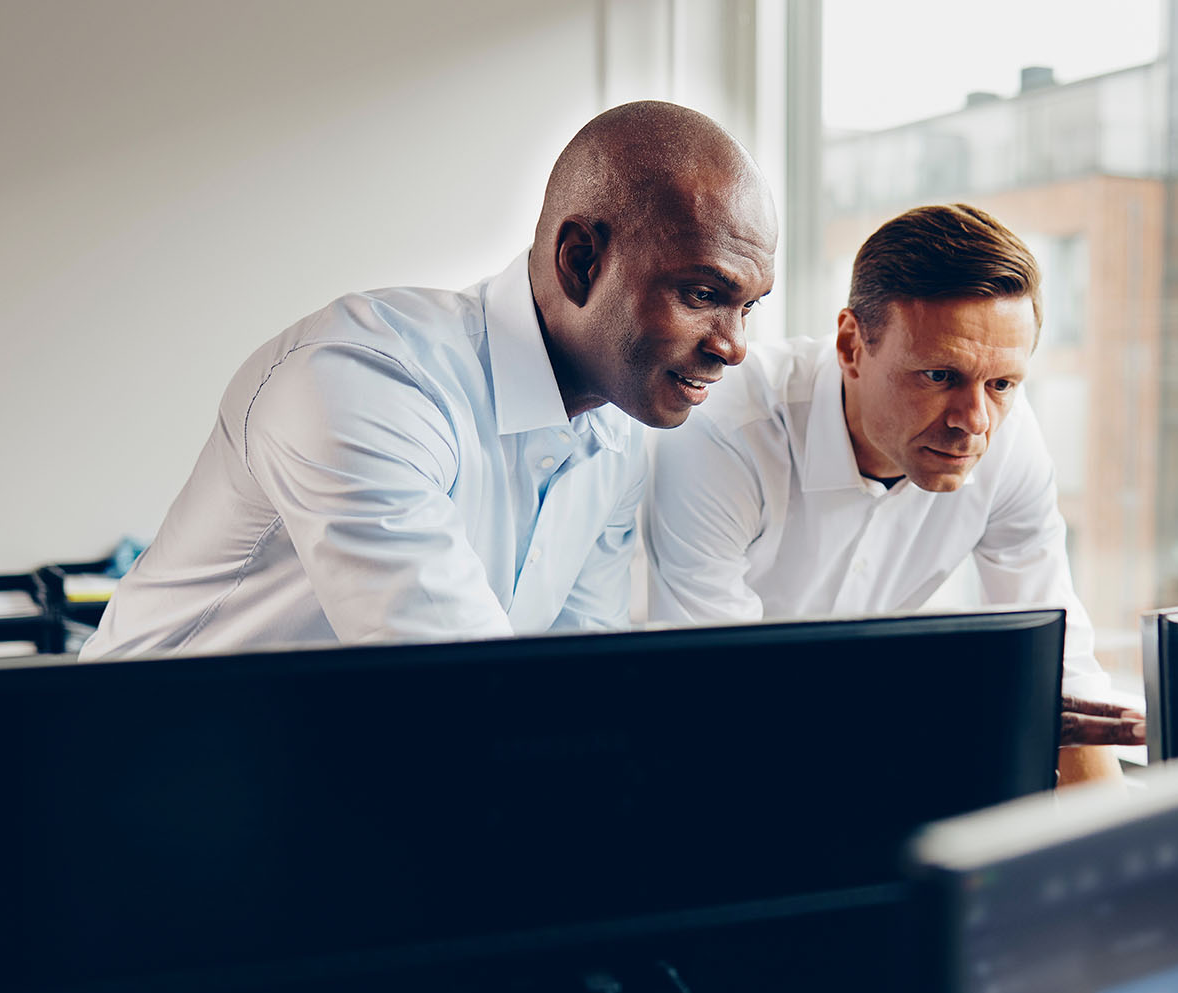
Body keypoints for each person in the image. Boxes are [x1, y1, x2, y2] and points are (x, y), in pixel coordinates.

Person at [83, 101, 776, 659]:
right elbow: (460, 700)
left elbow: (573, 694)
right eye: (702, 293)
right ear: (580, 260)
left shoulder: (614, 444)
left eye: (748, 308)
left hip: (331, 783)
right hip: (138, 784)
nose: (734, 346)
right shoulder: (362, 382)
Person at [643, 203, 1141, 783]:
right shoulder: (728, 428)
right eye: (938, 375)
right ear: (852, 345)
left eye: (1002, 383)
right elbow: (722, 697)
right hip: (677, 759)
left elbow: (1061, 677)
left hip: (856, 753)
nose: (974, 421)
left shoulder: (1006, 437)